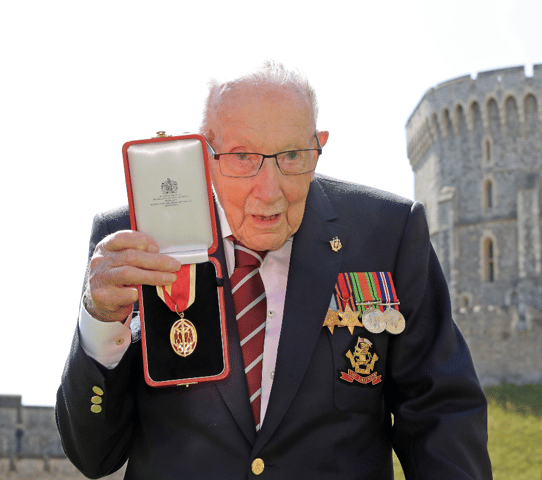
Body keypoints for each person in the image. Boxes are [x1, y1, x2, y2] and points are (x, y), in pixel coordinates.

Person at [56, 61, 493, 479]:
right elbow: (94, 455)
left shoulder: (388, 233)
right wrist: (100, 322)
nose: (268, 191)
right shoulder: (132, 238)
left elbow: (440, 412)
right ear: (204, 153)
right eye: (242, 156)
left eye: (291, 156)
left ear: (319, 147)